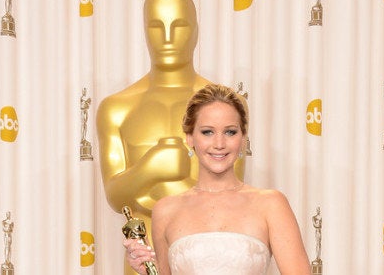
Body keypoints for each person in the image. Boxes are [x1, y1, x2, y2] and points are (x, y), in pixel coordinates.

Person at [96, 0, 246, 261]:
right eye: (156, 27)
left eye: (179, 26)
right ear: (143, 31)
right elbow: (115, 197)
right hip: (144, 252)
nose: (167, 38)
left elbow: (233, 188)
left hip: (211, 245)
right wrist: (149, 169)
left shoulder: (226, 106)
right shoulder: (117, 108)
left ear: (196, 32)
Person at [123, 84, 310, 275]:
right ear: (190, 138)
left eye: (230, 132)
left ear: (243, 138)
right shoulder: (165, 210)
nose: (219, 144)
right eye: (207, 132)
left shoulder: (271, 204)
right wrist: (147, 269)